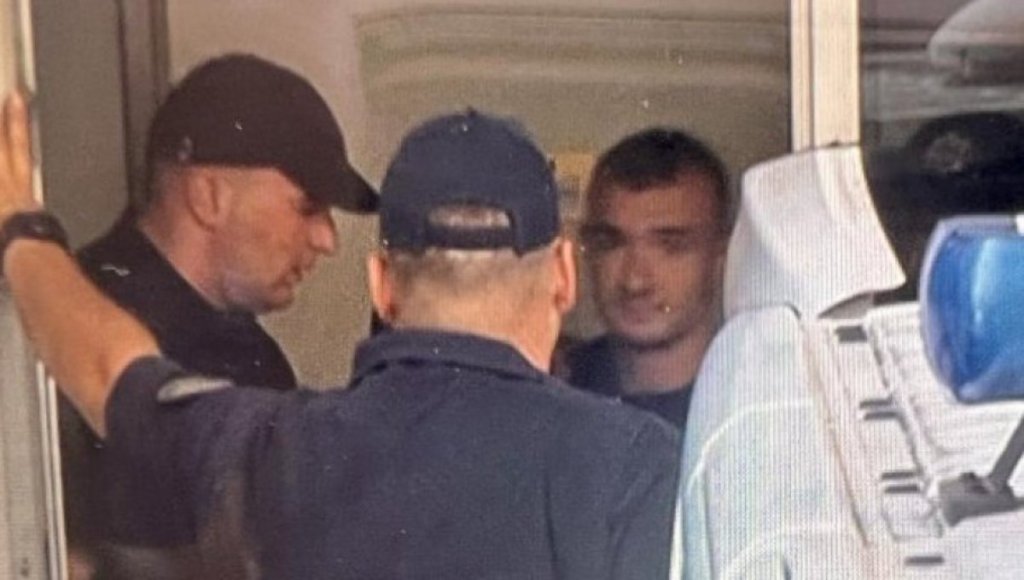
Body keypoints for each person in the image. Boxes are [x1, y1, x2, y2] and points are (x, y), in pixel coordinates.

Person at [0, 97, 679, 579]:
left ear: (381, 285)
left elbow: (108, 371)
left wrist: (20, 232)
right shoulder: (637, 468)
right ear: (563, 274)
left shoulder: (276, 452)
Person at [62, 54, 378, 578]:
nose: (328, 239)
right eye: (307, 207)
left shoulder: (243, 351)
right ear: (208, 196)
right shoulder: (72, 336)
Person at [561, 128, 732, 429]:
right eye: (611, 243)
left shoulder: (757, 398)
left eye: (671, 246)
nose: (635, 281)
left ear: (722, 253)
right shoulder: (551, 390)